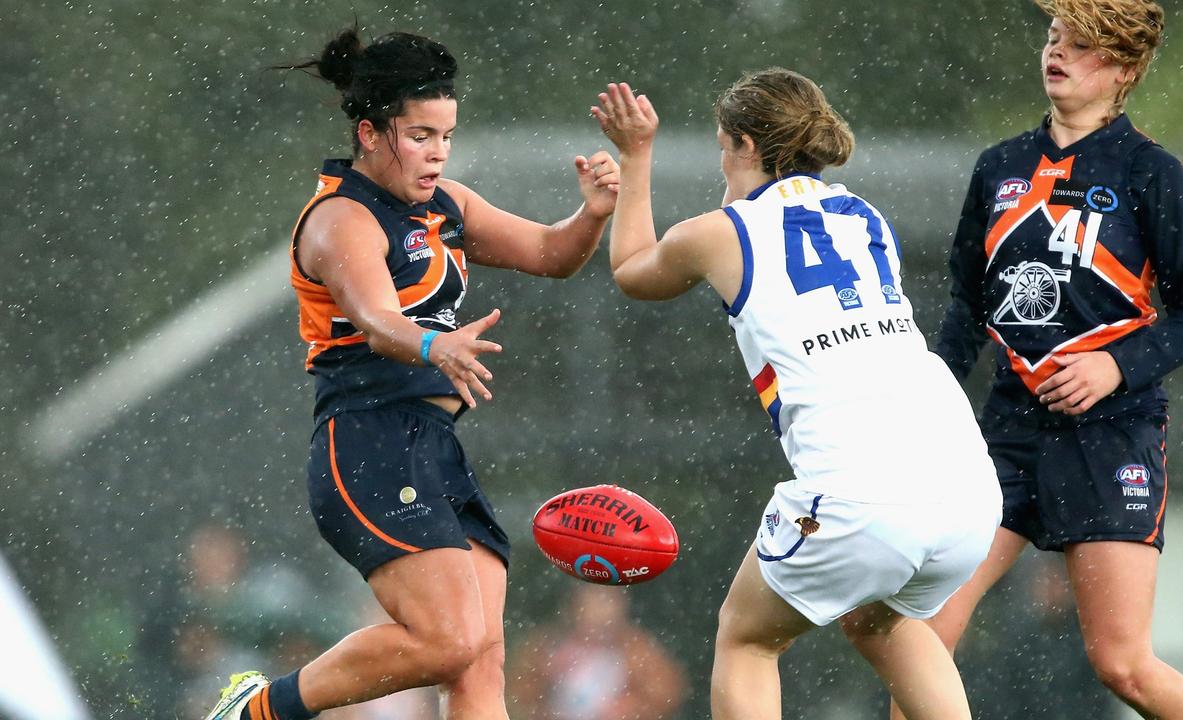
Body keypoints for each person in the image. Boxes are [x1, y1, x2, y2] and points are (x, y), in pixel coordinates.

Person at [203, 26, 620, 720]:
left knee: (481, 657)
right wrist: (434, 347)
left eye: (447, 136)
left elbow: (552, 253)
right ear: (369, 132)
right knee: (450, 641)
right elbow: (375, 318)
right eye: (421, 135)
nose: (438, 153)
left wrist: (593, 215)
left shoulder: (446, 205)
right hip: (365, 446)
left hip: (433, 449)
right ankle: (260, 709)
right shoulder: (340, 218)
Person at [591, 72, 1001, 720]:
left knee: (746, 636)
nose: (721, 163)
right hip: (968, 486)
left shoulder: (723, 230)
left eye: (723, 147)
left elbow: (631, 269)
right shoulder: (867, 217)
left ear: (746, 146)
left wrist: (636, 154)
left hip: (860, 493)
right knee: (879, 623)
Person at [910, 1, 1183, 719]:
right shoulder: (1000, 168)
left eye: (1082, 46)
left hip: (1112, 435)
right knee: (922, 637)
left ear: (1123, 70)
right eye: (1055, 37)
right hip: (1007, 434)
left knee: (1122, 665)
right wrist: (926, 401)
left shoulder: (1150, 172)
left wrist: (1114, 366)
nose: (1058, 53)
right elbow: (967, 305)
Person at [508, 584, 689, 720]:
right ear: (574, 608)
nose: (599, 614)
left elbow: (666, 692)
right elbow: (518, 692)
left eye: (606, 604)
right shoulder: (548, 645)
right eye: (592, 605)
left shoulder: (636, 648)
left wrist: (630, 707)